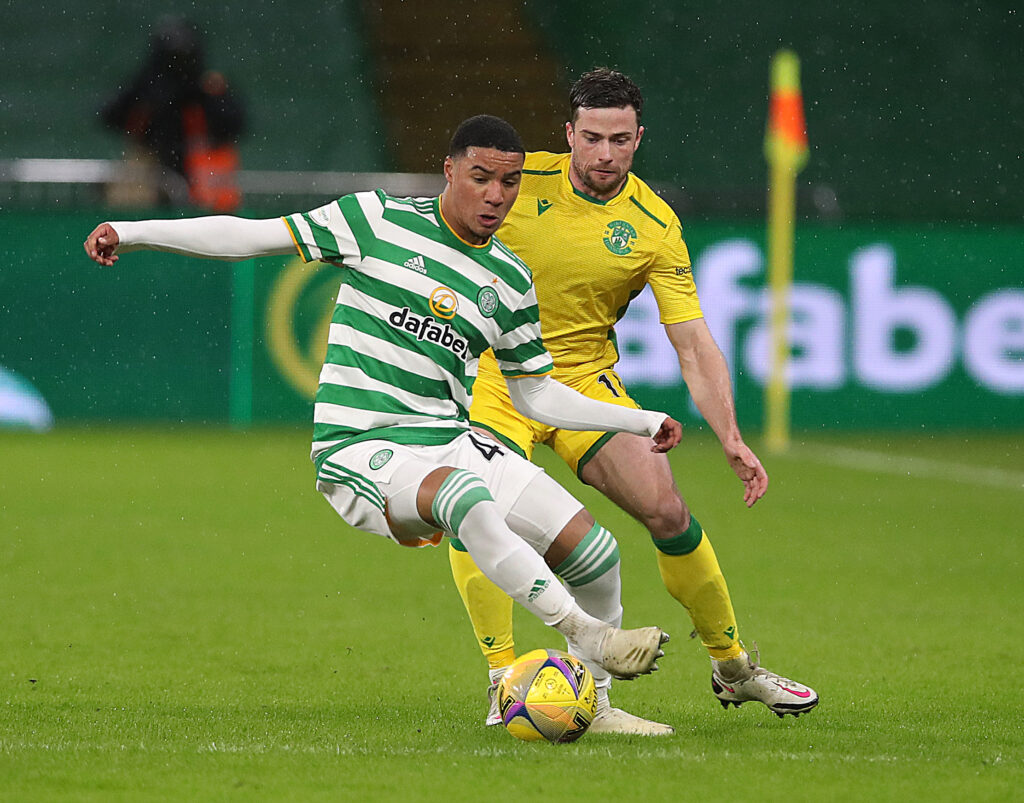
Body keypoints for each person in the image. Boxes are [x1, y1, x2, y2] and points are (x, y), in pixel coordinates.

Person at [83, 114, 682, 717]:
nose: (496, 196)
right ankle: (585, 634)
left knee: (595, 552)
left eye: (509, 182)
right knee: (462, 496)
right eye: (480, 178)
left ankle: (593, 707)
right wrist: (131, 231)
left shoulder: (510, 278)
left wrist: (637, 420)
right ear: (449, 171)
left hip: (448, 438)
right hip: (358, 443)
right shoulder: (375, 220)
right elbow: (250, 235)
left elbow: (535, 395)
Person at [448, 70, 819, 733]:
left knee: (668, 509)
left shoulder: (653, 224)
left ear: (638, 138)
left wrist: (729, 433)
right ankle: (503, 679)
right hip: (494, 375)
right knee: (475, 503)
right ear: (568, 135)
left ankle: (732, 667)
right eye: (591, 137)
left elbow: (696, 344)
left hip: (583, 382)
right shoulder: (516, 180)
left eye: (620, 139)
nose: (604, 154)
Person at [100, 15, 246, 211]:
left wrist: (207, 96)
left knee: (207, 221)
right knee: (132, 205)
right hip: (151, 161)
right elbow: (111, 114)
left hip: (200, 163)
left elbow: (234, 124)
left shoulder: (208, 85)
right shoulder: (147, 83)